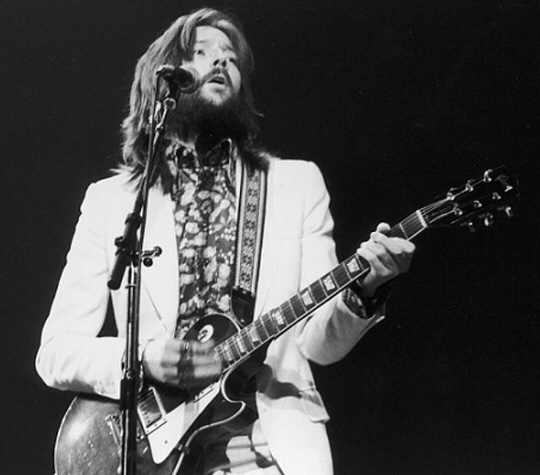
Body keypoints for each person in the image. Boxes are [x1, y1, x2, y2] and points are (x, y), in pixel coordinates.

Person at [36, 7, 415, 475]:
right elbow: (55, 352)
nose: (221, 61)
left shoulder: (295, 185)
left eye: (231, 58)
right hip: (151, 454)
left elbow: (318, 344)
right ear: (161, 80)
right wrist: (144, 358)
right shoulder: (111, 201)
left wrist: (364, 291)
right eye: (201, 52)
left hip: (264, 443)